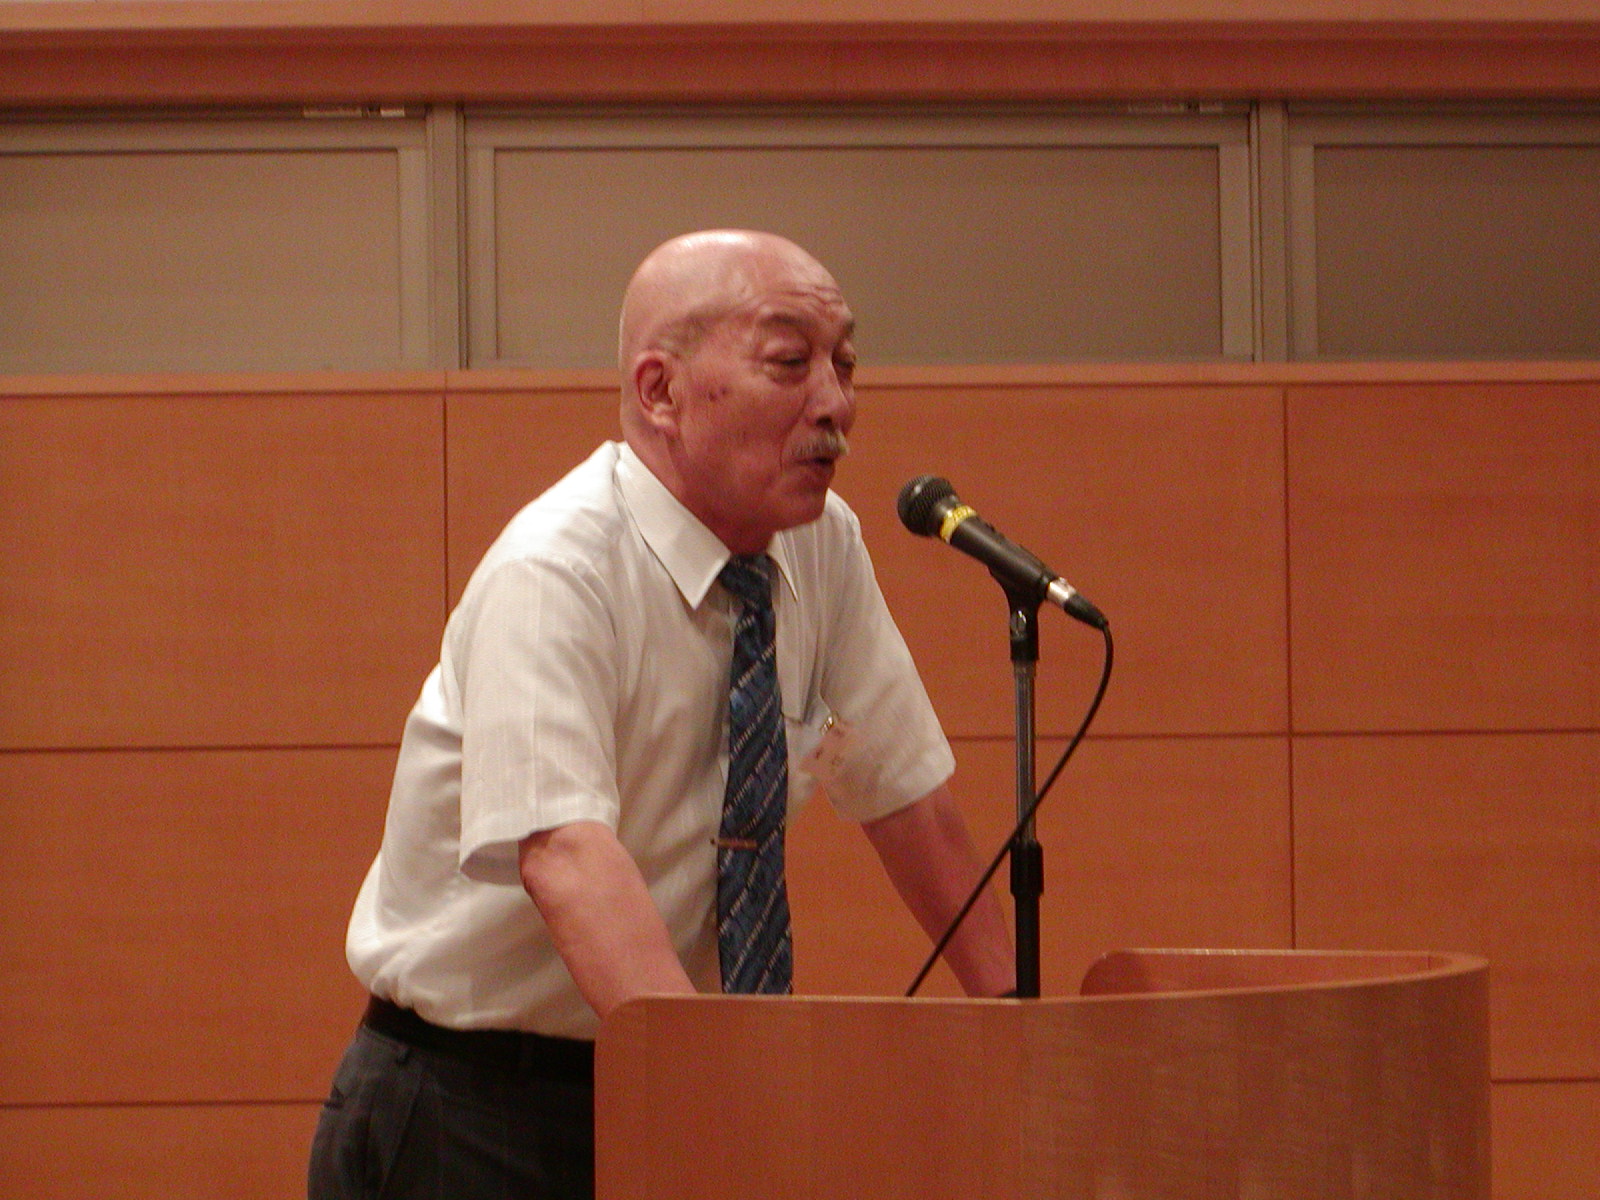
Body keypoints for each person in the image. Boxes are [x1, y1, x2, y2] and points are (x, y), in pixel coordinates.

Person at [307, 229, 1014, 1200]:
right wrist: (707, 1097)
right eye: (790, 363)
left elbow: (904, 799)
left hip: (656, 1070)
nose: (836, 404)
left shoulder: (819, 545)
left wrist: (1027, 1040)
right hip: (471, 1107)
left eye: (845, 364)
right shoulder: (557, 569)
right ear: (659, 391)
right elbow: (566, 855)